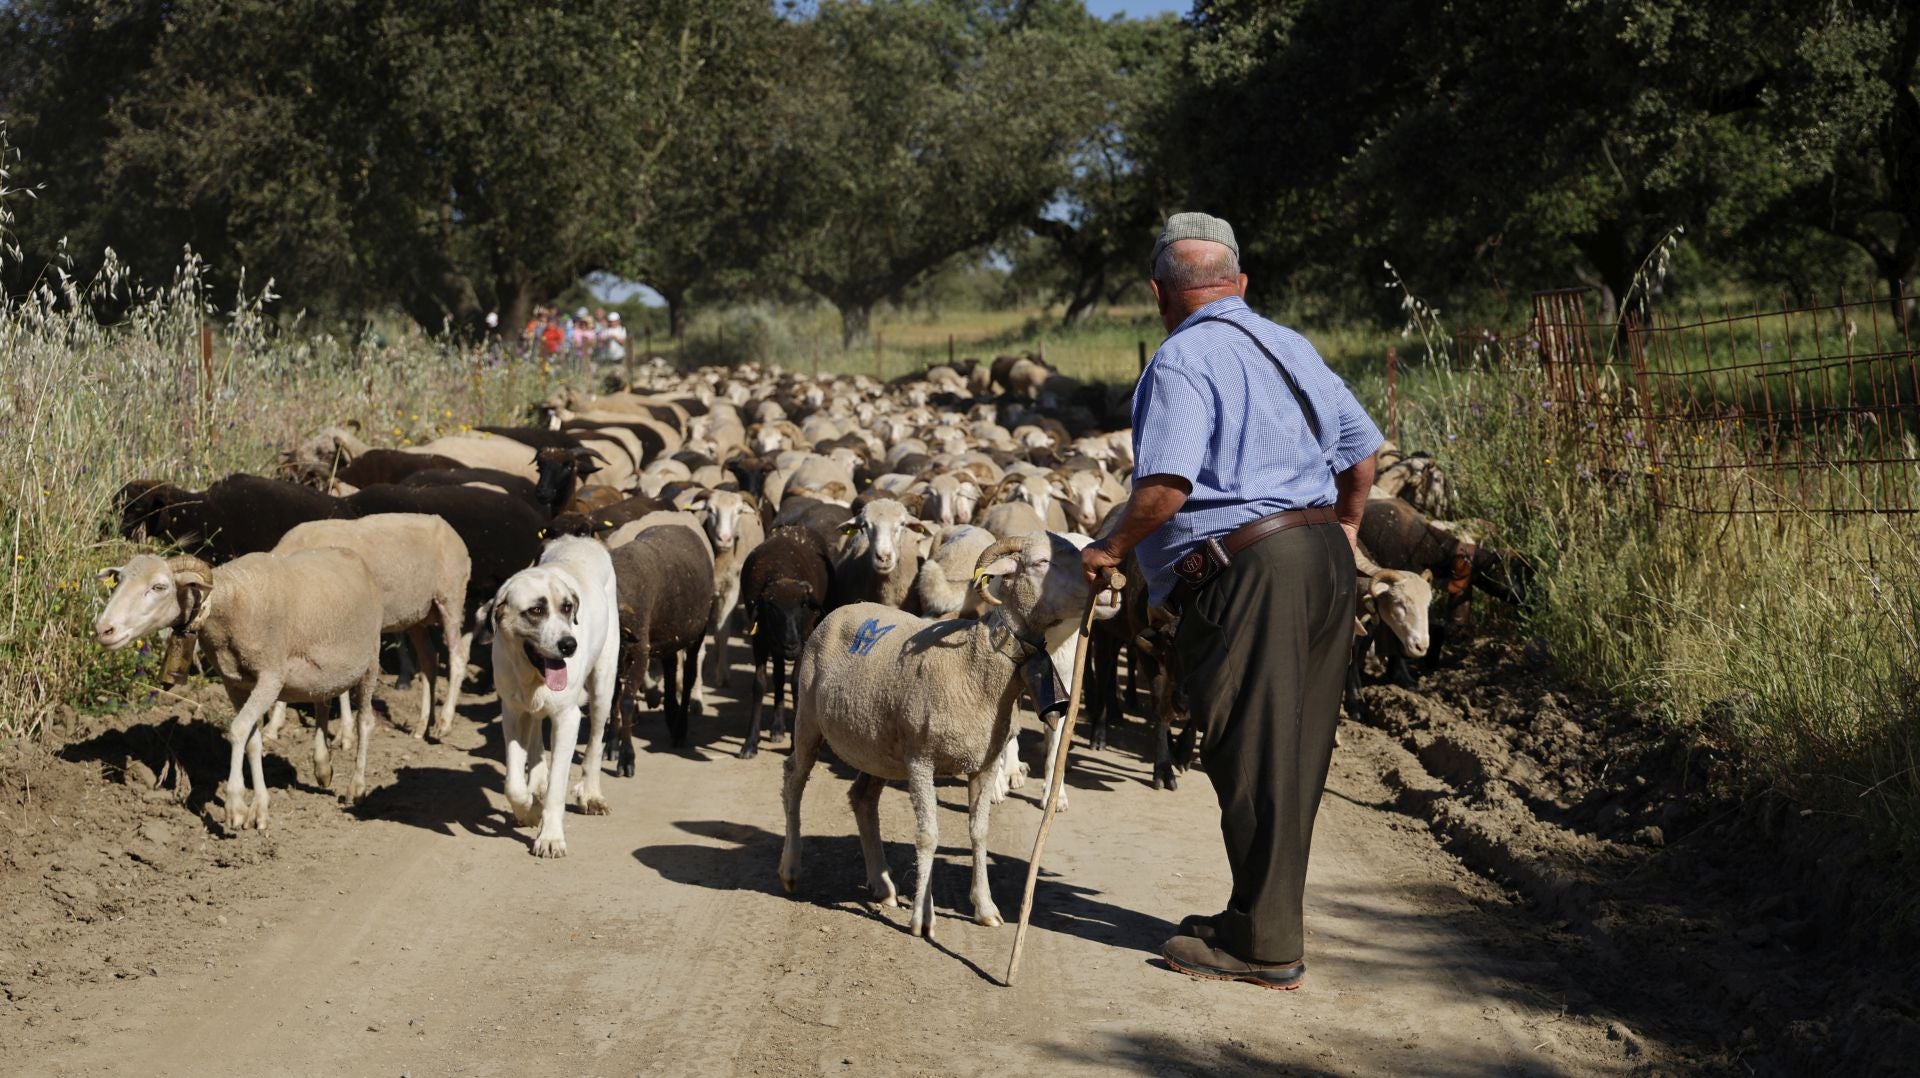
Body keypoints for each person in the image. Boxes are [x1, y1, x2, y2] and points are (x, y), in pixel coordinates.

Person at [1081, 212, 1382, 990]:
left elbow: (1167, 485)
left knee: (1248, 752)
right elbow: (1362, 452)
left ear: (1158, 294)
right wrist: (1348, 528)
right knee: (1296, 750)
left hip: (1249, 570)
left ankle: (1266, 948)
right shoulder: (1291, 345)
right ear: (1240, 282)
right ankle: (1254, 915)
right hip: (1323, 560)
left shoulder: (1180, 359)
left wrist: (1108, 549)